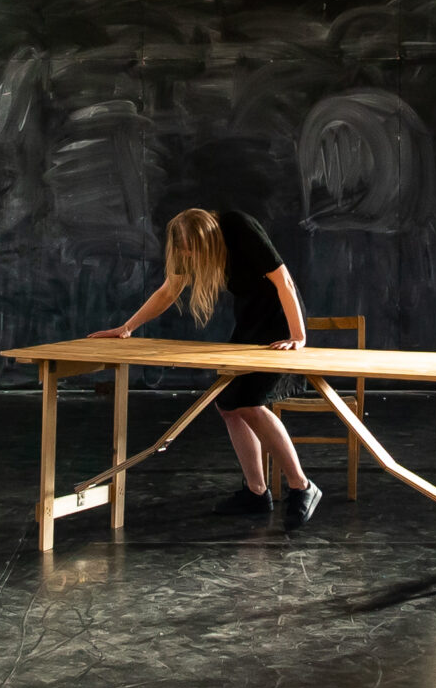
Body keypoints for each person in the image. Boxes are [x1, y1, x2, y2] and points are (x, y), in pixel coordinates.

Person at [93, 207, 322, 526]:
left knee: (250, 403)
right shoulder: (185, 246)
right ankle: (256, 493)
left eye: (193, 248)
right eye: (184, 250)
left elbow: (283, 281)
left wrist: (298, 335)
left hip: (279, 322)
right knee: (229, 405)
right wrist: (127, 327)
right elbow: (168, 291)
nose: (189, 254)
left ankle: (302, 486)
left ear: (207, 236)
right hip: (250, 324)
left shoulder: (239, 225)